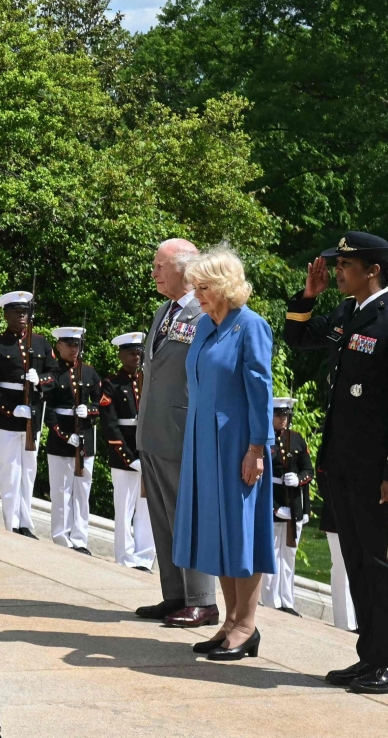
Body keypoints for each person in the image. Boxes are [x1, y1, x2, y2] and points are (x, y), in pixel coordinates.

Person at [284, 231, 388, 693]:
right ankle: (371, 657)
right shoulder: (348, 313)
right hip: (342, 460)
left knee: (379, 562)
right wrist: (309, 296)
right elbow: (298, 335)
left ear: (373, 270)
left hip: (375, 467)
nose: (337, 271)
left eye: (346, 265)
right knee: (357, 561)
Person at [172, 244, 275, 662]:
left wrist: (257, 447)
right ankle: (231, 622)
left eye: (203, 287)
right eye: (196, 287)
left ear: (225, 286)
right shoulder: (204, 326)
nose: (197, 295)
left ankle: (247, 625)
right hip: (202, 442)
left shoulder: (250, 326)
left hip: (238, 444)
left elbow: (261, 391)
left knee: (242, 531)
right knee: (219, 532)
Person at [134, 239, 219, 628]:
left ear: (183, 269)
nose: (154, 272)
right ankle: (175, 595)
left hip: (185, 432)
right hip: (153, 431)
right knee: (163, 517)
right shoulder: (163, 311)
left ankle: (202, 599)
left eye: (159, 266)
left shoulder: (205, 315)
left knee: (189, 515)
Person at [0, 291, 56, 538]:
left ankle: (25, 521)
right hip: (6, 416)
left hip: (32, 416)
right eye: (17, 311)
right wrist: (10, 408)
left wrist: (41, 380)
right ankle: (10, 521)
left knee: (28, 471)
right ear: (6, 314)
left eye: (25, 311)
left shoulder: (41, 342)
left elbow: (55, 375)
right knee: (9, 470)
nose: (22, 316)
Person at [44, 327, 103, 554]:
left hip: (85, 440)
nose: (73, 349)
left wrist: (88, 410)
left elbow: (102, 405)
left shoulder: (89, 373)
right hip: (61, 440)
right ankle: (61, 535)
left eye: (76, 345)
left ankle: (80, 538)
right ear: (58, 346)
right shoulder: (53, 373)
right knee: (61, 490)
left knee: (82, 491)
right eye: (69, 345)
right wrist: (64, 435)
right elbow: (47, 410)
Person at [101, 331, 155, 571]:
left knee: (147, 509)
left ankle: (144, 557)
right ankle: (124, 556)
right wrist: (129, 458)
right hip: (125, 455)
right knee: (124, 508)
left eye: (139, 353)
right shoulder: (111, 384)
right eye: (132, 353)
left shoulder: (150, 382)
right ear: (121, 355)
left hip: (148, 453)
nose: (136, 357)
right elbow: (110, 425)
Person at [260, 398, 314, 617]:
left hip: (294, 508)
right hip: (273, 506)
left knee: (289, 556)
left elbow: (308, 470)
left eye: (285, 415)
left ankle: (286, 601)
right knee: (271, 555)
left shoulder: (298, 439)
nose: (283, 419)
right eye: (278, 415)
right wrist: (273, 508)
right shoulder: (263, 440)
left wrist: (299, 479)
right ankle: (270, 601)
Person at [317, 469, 359, 631]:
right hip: (337, 516)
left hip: (360, 518)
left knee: (357, 569)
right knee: (341, 568)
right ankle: (344, 622)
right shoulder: (333, 446)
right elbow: (324, 481)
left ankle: (357, 621)